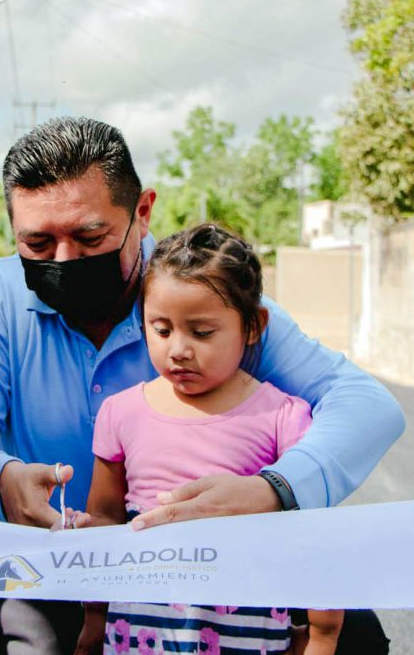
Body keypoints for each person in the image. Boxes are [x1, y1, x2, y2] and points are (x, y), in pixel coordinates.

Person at [0, 117, 403, 654]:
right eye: (37, 242)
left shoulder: (204, 295)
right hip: (64, 571)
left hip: (232, 572)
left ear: (143, 213)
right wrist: (2, 479)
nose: (64, 260)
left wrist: (275, 491)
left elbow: (365, 405)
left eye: (89, 236)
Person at [80, 223, 343, 655]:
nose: (178, 349)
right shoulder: (120, 413)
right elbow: (104, 523)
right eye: (161, 330)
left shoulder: (282, 416)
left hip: (248, 637)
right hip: (138, 636)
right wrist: (93, 620)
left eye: (201, 333)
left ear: (253, 326)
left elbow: (313, 533)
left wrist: (323, 633)